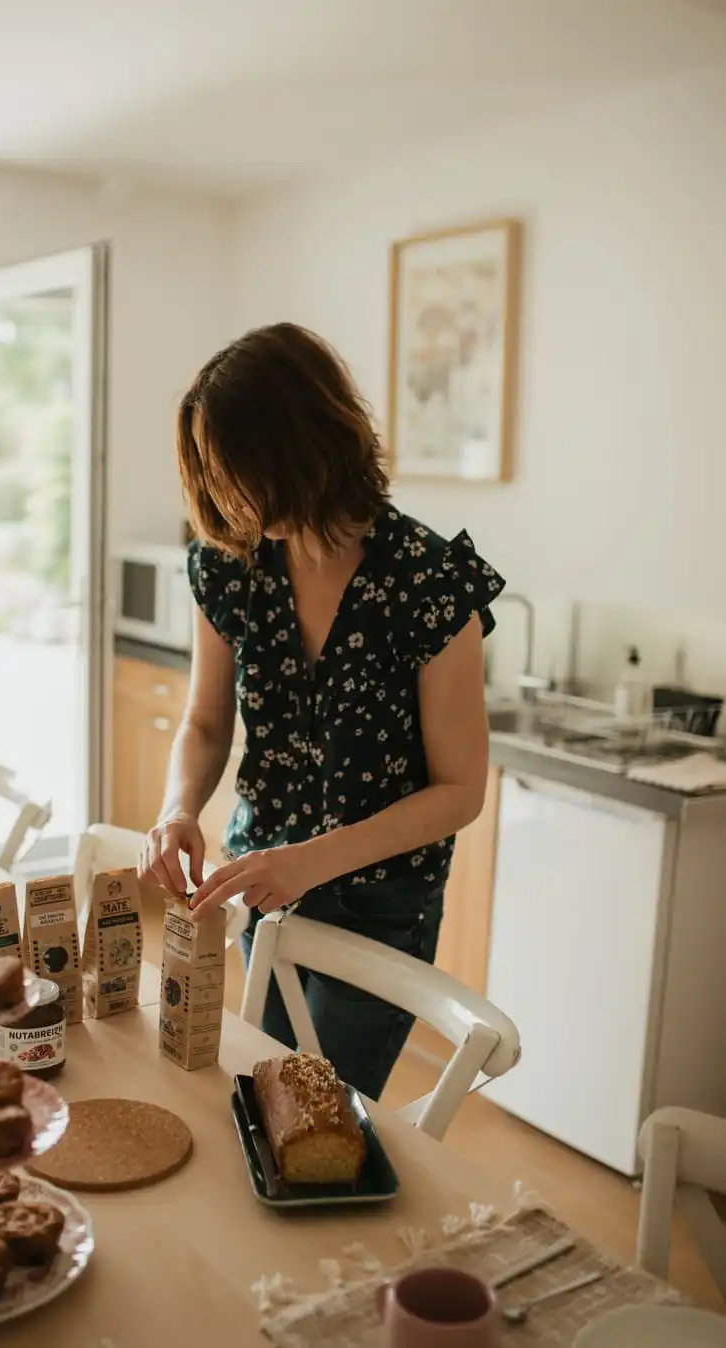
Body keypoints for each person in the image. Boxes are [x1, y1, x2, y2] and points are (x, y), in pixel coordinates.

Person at [138, 323, 505, 1100]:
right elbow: (205, 724)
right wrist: (177, 810)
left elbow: (459, 791)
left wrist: (309, 859)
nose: (233, 499)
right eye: (218, 477)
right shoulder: (230, 565)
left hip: (382, 904)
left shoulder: (430, 582)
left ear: (306, 448)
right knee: (259, 1089)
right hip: (260, 883)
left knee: (317, 1115)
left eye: (244, 473)